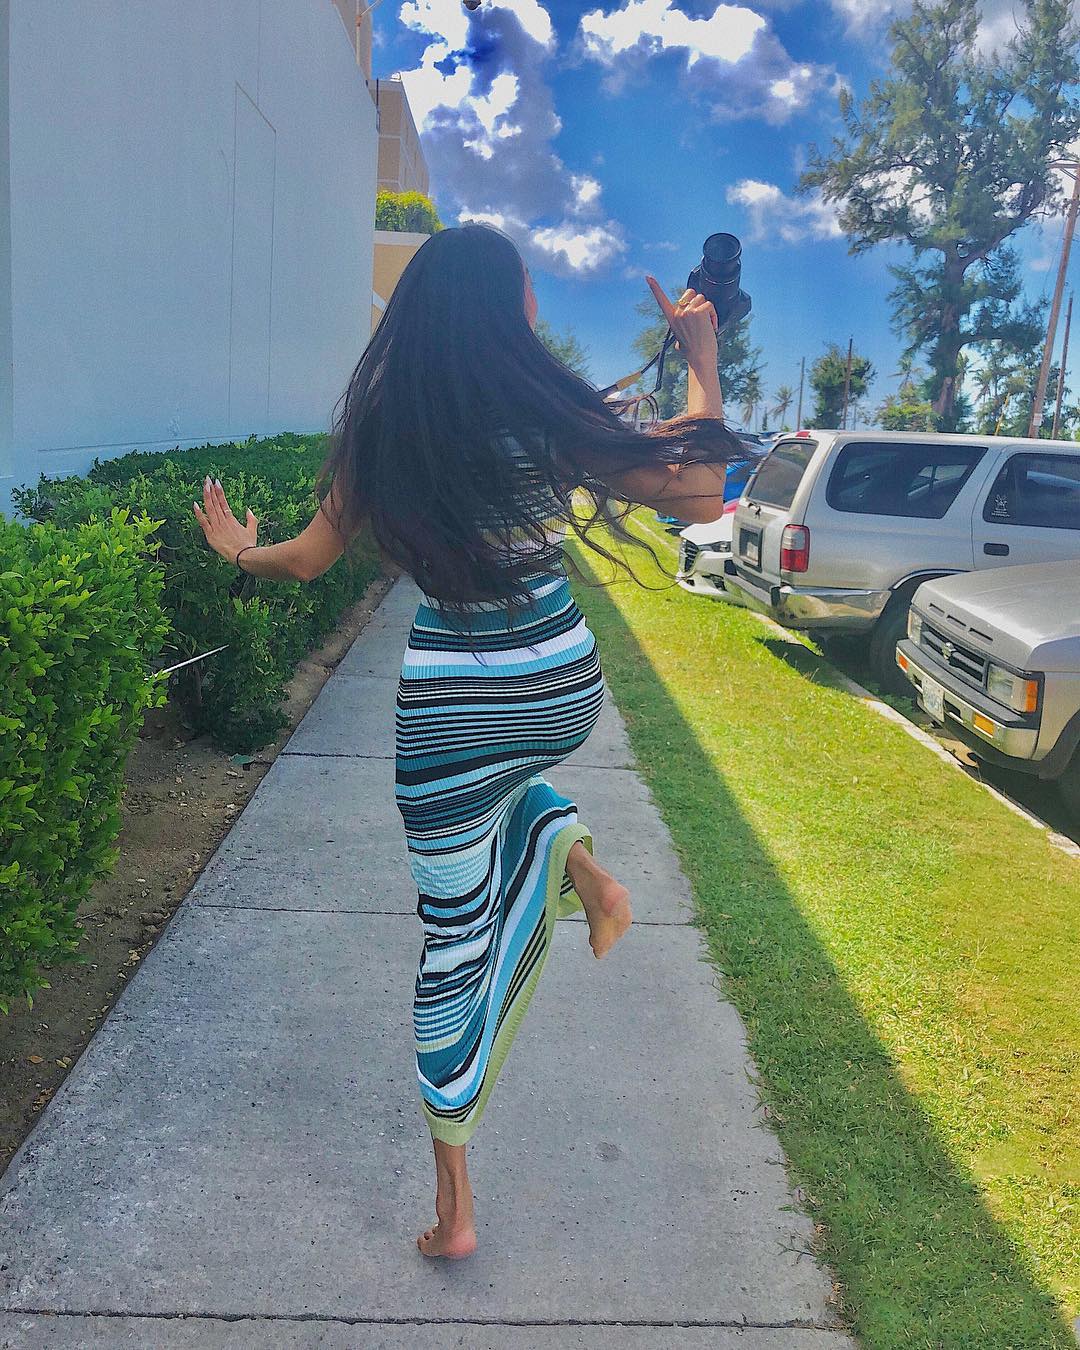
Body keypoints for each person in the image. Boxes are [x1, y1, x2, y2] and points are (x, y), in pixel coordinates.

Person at [193, 223, 740, 1260]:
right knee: (513, 780)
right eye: (526, 287)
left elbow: (306, 561)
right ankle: (588, 875)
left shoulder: (385, 427)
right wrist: (704, 363)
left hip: (455, 707)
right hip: (562, 689)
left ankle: (455, 1214)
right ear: (504, 309)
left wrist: (237, 551)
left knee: (452, 941)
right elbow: (704, 491)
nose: (535, 301)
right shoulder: (547, 413)